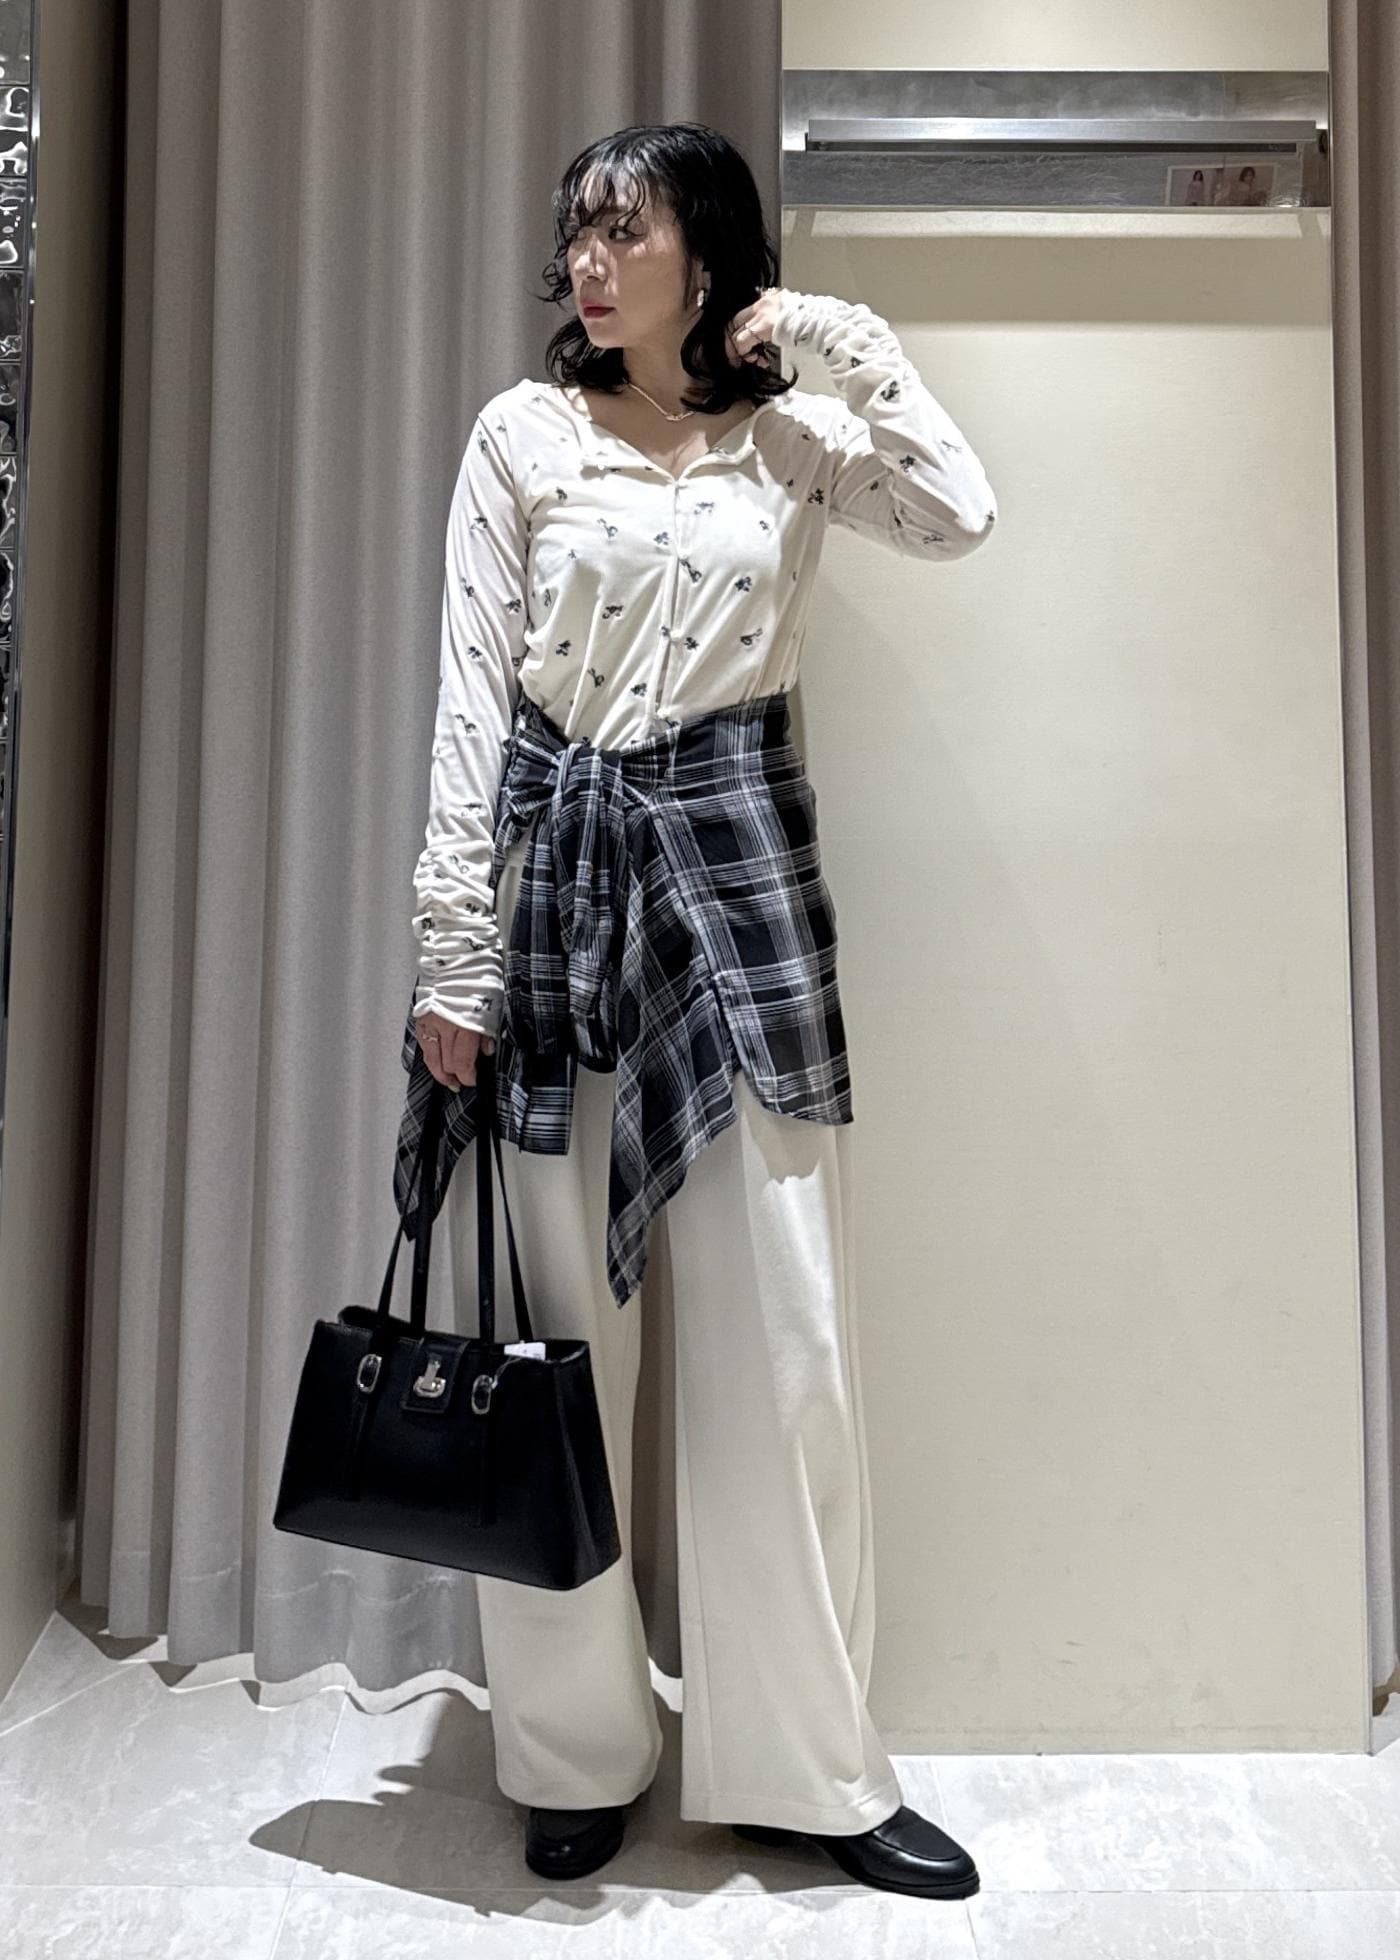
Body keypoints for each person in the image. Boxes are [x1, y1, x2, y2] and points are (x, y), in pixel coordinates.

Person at [396, 121, 997, 1898]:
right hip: (557, 899)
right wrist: (451, 955)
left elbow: (958, 511)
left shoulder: (791, 437)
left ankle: (806, 1768)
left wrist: (829, 338)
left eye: (627, 231)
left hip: (739, 887)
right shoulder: (522, 437)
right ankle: (574, 1749)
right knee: (560, 1348)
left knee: (783, 1350)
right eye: (577, 232)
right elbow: (469, 704)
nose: (589, 263)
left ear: (706, 252)